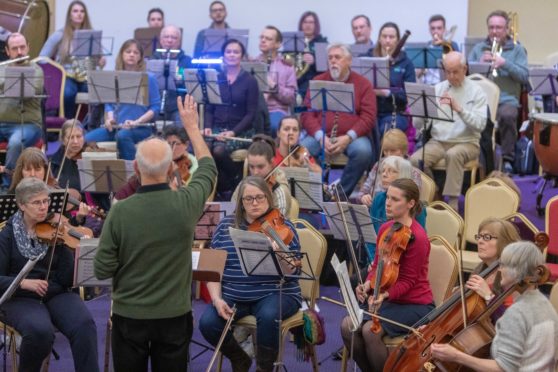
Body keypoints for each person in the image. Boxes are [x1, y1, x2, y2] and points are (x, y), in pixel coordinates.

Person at [94, 95, 217, 371]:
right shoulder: (186, 203)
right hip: (174, 316)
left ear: (136, 169)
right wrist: (192, 128)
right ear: (171, 168)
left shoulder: (120, 212)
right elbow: (208, 168)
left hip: (129, 317)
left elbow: (102, 269)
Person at [199, 176, 302, 372]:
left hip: (276, 292)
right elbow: (213, 269)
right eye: (248, 199)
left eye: (260, 198)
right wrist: (216, 299)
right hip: (236, 294)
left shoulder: (283, 227)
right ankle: (240, 358)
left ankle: (264, 368)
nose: (254, 203)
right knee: (208, 323)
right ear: (241, 202)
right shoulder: (225, 226)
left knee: (269, 315)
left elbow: (293, 271)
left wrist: (278, 253)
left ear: (269, 199)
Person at [0, 177, 99, 371]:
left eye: (46, 201)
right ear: (21, 205)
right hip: (20, 297)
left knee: (84, 324)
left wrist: (74, 249)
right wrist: (24, 283)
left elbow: (66, 280)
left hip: (55, 292)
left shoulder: (56, 229)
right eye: (37, 202)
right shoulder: (6, 236)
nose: (44, 207)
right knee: (40, 331)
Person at [341, 178, 435, 372]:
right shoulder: (385, 228)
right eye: (387, 197)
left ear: (411, 203)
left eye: (395, 199)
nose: (388, 203)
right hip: (387, 301)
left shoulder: (418, 237)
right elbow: (377, 266)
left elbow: (409, 281)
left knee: (370, 331)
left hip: (414, 303)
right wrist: (367, 284)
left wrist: (384, 295)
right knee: (347, 326)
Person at [431, 241, 558, 371]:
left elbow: (502, 368)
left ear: (518, 270)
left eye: (504, 265)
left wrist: (456, 356)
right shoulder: (544, 303)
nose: (499, 269)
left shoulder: (517, 312)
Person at [410, 51, 487, 211]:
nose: (451, 76)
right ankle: (434, 191)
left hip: (467, 142)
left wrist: (459, 109)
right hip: (438, 141)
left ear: (464, 69)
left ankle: (452, 203)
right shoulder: (438, 88)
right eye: (447, 72)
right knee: (415, 160)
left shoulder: (476, 91)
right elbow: (421, 125)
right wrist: (420, 112)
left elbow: (480, 125)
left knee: (453, 154)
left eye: (455, 71)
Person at [301, 43, 377, 196]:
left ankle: (339, 194)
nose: (333, 61)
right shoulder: (318, 81)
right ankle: (317, 193)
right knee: (301, 151)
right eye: (330, 58)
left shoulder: (363, 84)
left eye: (337, 57)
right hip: (321, 135)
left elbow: (369, 116)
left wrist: (348, 137)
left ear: (349, 61)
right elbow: (306, 114)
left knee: (363, 152)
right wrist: (320, 137)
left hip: (351, 137)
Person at [468, 10, 529, 174]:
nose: (494, 31)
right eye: (491, 27)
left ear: (507, 29)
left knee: (508, 115)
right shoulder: (479, 48)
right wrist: (478, 65)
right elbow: (466, 75)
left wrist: (504, 63)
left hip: (506, 100)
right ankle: (476, 157)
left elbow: (524, 76)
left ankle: (508, 160)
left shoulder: (517, 50)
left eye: (499, 28)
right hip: (481, 100)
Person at [84, 39, 160, 160]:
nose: (131, 55)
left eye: (135, 53)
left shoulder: (149, 78)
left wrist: (137, 122)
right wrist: (110, 119)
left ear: (140, 57)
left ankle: (133, 172)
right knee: (85, 140)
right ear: (122, 54)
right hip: (116, 127)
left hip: (141, 128)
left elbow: (156, 107)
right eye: (128, 51)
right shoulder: (114, 76)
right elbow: (109, 103)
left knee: (122, 136)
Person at [203, 39, 259, 194]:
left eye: (236, 52)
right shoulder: (216, 78)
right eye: (228, 51)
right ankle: (215, 188)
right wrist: (207, 127)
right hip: (217, 128)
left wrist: (232, 133)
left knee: (219, 151)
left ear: (242, 56)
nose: (232, 55)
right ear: (223, 55)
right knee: (204, 148)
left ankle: (233, 181)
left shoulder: (250, 81)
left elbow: (251, 114)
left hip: (240, 130)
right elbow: (209, 108)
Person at [39, 0, 105, 119]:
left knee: (101, 93)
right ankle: (68, 125)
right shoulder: (60, 34)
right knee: (68, 94)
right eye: (75, 11)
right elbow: (42, 58)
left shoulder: (91, 35)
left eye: (82, 11)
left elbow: (98, 58)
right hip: (67, 76)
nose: (79, 14)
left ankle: (92, 125)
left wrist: (101, 61)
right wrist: (56, 69)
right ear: (70, 15)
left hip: (86, 76)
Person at [0, 33, 43, 188]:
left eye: (22, 47)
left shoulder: (36, 70)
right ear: (7, 51)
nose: (19, 52)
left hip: (28, 125)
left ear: (28, 47)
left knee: (15, 142)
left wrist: (7, 78)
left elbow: (34, 88)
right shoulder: (1, 68)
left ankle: (8, 187)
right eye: (15, 48)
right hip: (2, 124)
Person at [114, 125, 198, 201]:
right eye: (168, 144)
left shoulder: (194, 164)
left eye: (176, 144)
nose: (172, 148)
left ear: (186, 144)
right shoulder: (158, 159)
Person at [366, 157, 426, 260]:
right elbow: (370, 237)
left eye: (392, 171)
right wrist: (372, 261)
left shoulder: (417, 207)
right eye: (383, 171)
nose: (384, 174)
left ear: (403, 175)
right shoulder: (378, 199)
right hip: (377, 261)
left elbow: (418, 244)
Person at [467, 218, 521, 321]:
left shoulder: (512, 276)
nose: (480, 241)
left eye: (487, 237)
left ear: (505, 242)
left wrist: (489, 296)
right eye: (479, 237)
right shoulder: (480, 269)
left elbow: (512, 322)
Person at [369, 22, 416, 134]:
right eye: (384, 36)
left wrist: (386, 93)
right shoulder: (368, 58)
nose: (388, 40)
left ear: (398, 40)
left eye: (392, 37)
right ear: (379, 39)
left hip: (395, 112)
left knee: (386, 132)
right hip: (370, 111)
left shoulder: (406, 63)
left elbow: (409, 96)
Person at [232, 134, 292, 217]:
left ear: (272, 163)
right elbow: (231, 214)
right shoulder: (243, 185)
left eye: (260, 167)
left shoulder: (279, 190)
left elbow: (278, 226)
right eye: (251, 167)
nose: (255, 172)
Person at [359, 128, 421, 203]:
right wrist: (364, 197)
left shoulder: (413, 171)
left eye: (392, 151)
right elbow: (363, 192)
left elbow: (414, 200)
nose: (388, 155)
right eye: (385, 151)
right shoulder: (379, 164)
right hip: (374, 209)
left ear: (403, 150)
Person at [255, 25, 297, 136]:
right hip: (254, 110)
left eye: (268, 39)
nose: (263, 40)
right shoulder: (252, 64)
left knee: (274, 126)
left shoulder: (287, 67)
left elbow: (291, 98)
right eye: (261, 37)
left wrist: (274, 86)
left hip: (276, 110)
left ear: (278, 44)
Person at [151, 25, 193, 122]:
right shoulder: (153, 59)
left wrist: (179, 79)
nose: (170, 41)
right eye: (166, 37)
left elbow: (191, 88)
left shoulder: (186, 61)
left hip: (179, 106)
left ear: (179, 42)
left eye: (174, 37)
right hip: (157, 105)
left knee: (182, 125)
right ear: (161, 40)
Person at [417, 14, 460, 85]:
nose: (436, 31)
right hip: (427, 85)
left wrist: (444, 44)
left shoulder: (452, 45)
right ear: (429, 30)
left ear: (444, 29)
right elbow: (418, 75)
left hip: (446, 85)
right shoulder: (425, 47)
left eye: (439, 28)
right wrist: (422, 69)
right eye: (433, 28)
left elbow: (458, 67)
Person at [296, 11, 328, 100]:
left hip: (314, 83)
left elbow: (325, 68)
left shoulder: (322, 42)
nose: (308, 25)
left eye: (311, 22)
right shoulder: (294, 41)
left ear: (316, 25)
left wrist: (314, 61)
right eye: (305, 22)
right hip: (295, 81)